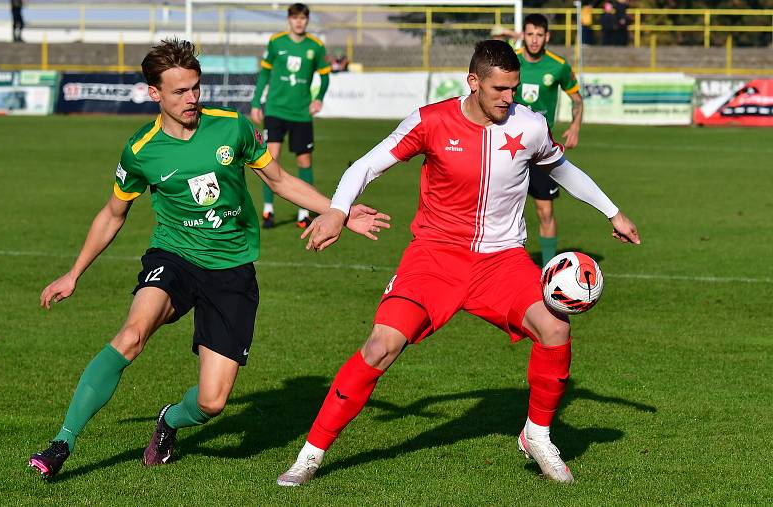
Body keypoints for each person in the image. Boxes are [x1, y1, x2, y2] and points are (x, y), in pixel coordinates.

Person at [277, 39, 640, 486]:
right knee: (380, 346)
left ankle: (537, 435)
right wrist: (336, 209)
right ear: (473, 82)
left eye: (515, 88)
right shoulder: (432, 120)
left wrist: (612, 211)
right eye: (499, 90)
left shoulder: (529, 125)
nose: (510, 98)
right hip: (435, 258)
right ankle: (311, 454)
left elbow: (562, 169)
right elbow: (366, 166)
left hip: (503, 263)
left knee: (556, 327)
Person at [27, 38, 389, 480]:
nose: (192, 99)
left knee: (212, 402)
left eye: (196, 88)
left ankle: (168, 421)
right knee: (132, 334)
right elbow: (113, 213)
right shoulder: (140, 150)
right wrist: (74, 272)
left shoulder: (232, 127)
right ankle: (61, 443)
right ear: (154, 93)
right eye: (179, 92)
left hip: (232, 268)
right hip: (174, 256)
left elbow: (279, 180)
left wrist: (339, 212)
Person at [251, 3, 331, 229]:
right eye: (295, 18)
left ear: (307, 21)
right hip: (275, 110)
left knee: (304, 161)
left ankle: (303, 213)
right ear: (289, 19)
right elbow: (265, 73)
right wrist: (257, 102)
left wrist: (319, 98)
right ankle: (268, 210)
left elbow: (325, 77)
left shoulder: (315, 46)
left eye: (303, 18)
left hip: (301, 113)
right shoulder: (276, 42)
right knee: (270, 160)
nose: (299, 22)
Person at [514, 13, 584, 267]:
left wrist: (575, 125)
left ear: (547, 37)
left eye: (539, 35)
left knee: (545, 210)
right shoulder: (511, 61)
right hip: (509, 148)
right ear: (523, 34)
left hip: (541, 150)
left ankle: (549, 268)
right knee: (504, 213)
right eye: (530, 34)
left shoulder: (558, 65)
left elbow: (577, 99)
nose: (534, 40)